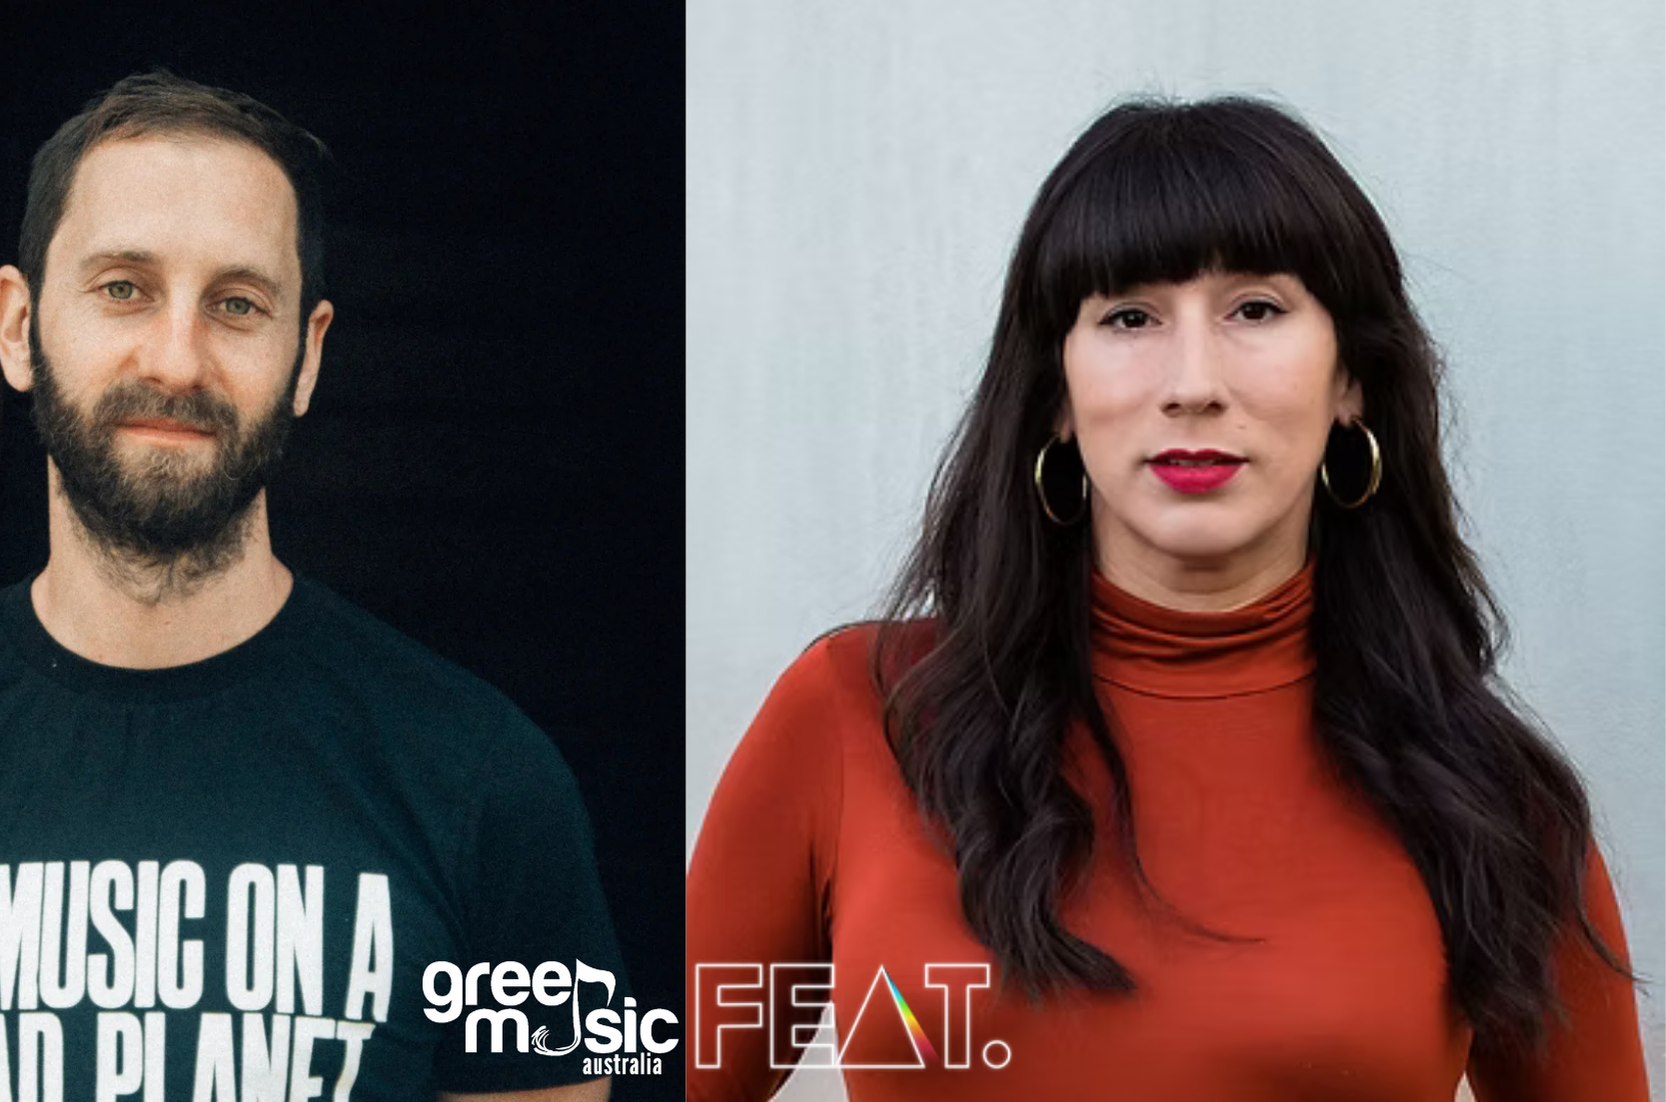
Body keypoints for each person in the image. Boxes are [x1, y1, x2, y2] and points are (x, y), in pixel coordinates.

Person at [685, 97, 1647, 1100]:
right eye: (1129, 317)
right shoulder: (857, 713)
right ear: (1056, 393)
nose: (1192, 383)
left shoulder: (1491, 799)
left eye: (1255, 310)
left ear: (1351, 381)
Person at [0, 72, 620, 1102]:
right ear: (18, 325)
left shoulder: (494, 783)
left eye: (237, 304)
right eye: (124, 287)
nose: (176, 360)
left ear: (307, 356)